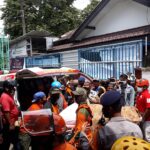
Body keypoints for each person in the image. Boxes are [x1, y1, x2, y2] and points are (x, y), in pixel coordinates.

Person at [0, 80, 20, 150]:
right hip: (9, 124)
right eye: (11, 87)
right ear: (6, 88)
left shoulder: (9, 95)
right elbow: (6, 112)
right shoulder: (5, 97)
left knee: (11, 141)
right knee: (9, 142)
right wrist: (11, 124)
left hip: (13, 123)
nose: (13, 89)